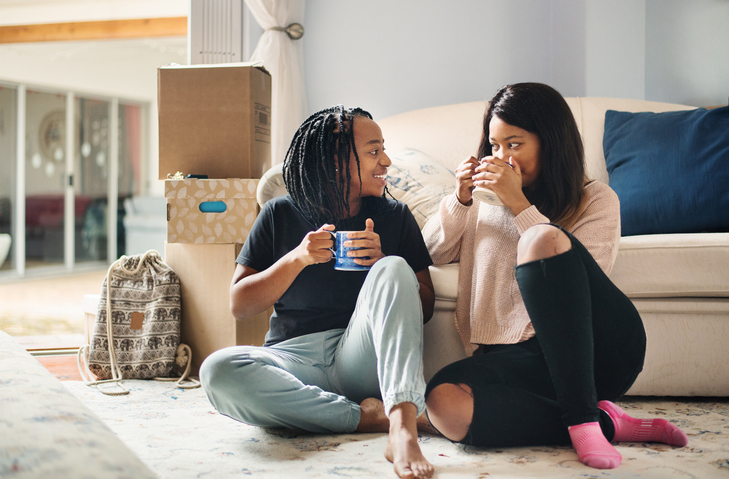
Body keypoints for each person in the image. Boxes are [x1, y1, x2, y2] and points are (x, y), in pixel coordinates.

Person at [421, 83, 689, 470]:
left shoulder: (596, 199)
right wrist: (459, 200)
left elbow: (579, 282)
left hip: (596, 350)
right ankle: (604, 424)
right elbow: (430, 253)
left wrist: (519, 204)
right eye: (494, 146)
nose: (501, 157)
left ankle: (582, 417)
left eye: (514, 145)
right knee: (444, 403)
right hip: (519, 362)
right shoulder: (480, 202)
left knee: (543, 238)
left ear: (550, 142)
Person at [200, 105, 436, 479]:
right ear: (337, 162)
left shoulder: (395, 216)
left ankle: (403, 428)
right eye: (374, 151)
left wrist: (383, 259)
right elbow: (240, 305)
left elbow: (425, 306)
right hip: (294, 359)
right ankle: (363, 417)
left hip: (360, 357)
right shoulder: (279, 214)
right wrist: (296, 258)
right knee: (218, 371)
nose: (386, 161)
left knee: (394, 267)